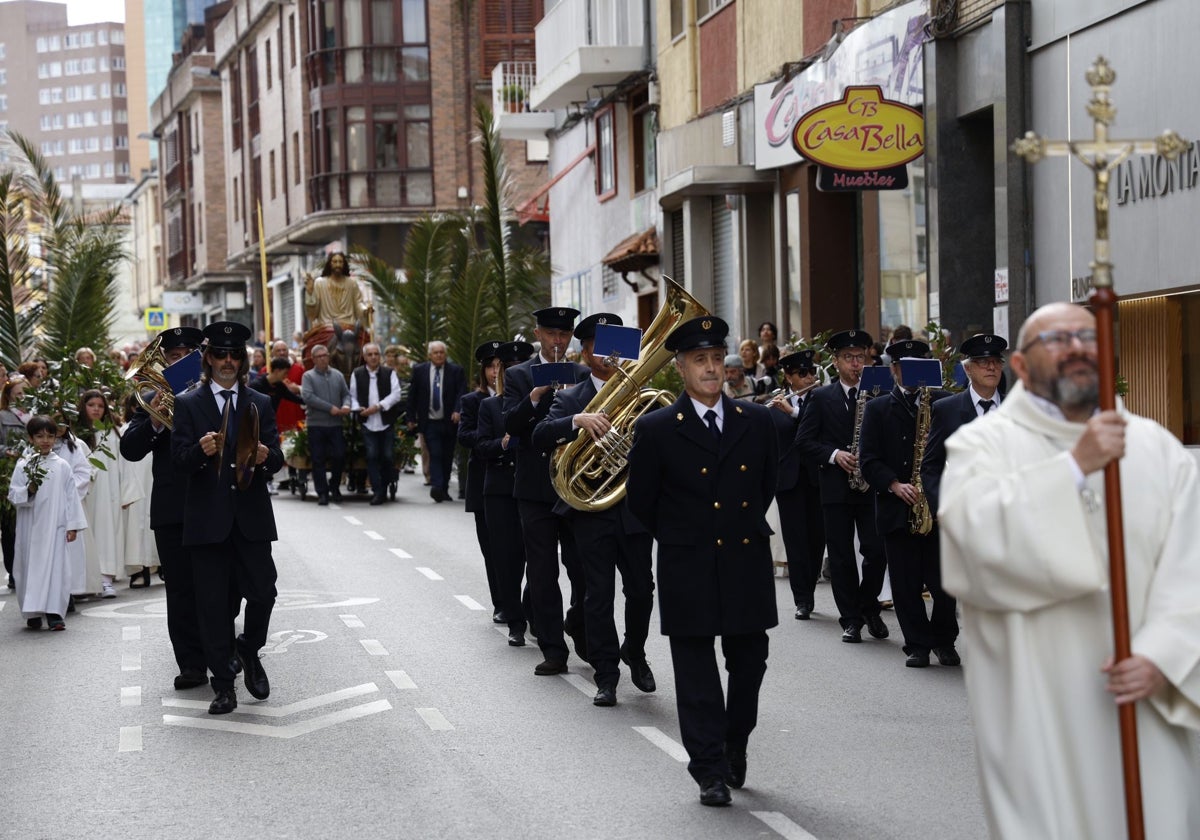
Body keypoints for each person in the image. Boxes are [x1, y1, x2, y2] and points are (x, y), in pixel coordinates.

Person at [939, 302, 1200, 839]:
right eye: (1057, 339)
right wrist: (1073, 469)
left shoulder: (1157, 449)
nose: (1078, 347)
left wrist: (1164, 653)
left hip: (1142, 701)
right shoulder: (983, 445)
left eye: (1088, 336)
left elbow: (1192, 563)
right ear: (1021, 365)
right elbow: (970, 537)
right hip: (1040, 705)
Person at [626, 316, 778, 807]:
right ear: (681, 368)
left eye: (716, 358)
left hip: (744, 561)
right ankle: (709, 769)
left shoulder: (757, 422)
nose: (711, 369)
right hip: (687, 564)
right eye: (700, 360)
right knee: (696, 675)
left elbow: (765, 486)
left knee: (749, 663)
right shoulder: (655, 430)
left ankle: (736, 739)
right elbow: (642, 504)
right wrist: (683, 537)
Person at [533, 314, 656, 708]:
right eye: (604, 346)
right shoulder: (570, 398)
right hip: (591, 511)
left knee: (642, 590)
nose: (613, 355)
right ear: (585, 352)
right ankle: (607, 674)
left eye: (621, 346)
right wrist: (576, 421)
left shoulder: (642, 394)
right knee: (598, 595)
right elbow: (539, 436)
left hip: (633, 509)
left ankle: (633, 651)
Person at [171, 321, 284, 715]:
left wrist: (270, 459)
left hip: (251, 519)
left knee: (264, 593)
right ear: (208, 359)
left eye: (236, 355)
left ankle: (249, 648)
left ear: (243, 360)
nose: (228, 362)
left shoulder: (260, 402)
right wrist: (199, 451)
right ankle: (223, 686)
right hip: (206, 523)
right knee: (214, 606)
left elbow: (278, 458)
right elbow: (178, 463)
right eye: (221, 354)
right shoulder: (187, 404)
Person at [121, 326, 210, 690]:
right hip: (173, 506)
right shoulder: (151, 395)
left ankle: (220, 648)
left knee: (220, 583)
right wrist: (156, 420)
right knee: (181, 589)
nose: (181, 361)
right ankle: (190, 663)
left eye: (189, 355)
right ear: (164, 361)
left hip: (212, 500)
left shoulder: (214, 392)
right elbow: (130, 448)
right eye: (174, 356)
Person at [502, 307, 590, 675]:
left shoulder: (583, 374)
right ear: (537, 334)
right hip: (535, 486)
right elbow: (511, 424)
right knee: (542, 571)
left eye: (564, 335)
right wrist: (536, 395)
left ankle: (579, 627)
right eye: (551, 334)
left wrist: (573, 401)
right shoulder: (518, 375)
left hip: (575, 485)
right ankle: (553, 649)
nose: (558, 341)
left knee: (584, 569)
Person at [857, 340, 955, 667]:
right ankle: (917, 644)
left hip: (935, 506)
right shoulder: (877, 407)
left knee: (944, 584)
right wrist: (894, 484)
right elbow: (868, 460)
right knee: (905, 583)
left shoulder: (941, 403)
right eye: (906, 366)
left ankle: (944, 640)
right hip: (897, 507)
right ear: (894, 369)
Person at [795, 329, 889, 644]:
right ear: (835, 362)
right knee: (841, 556)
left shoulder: (878, 393)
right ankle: (850, 619)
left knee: (876, 551)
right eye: (848, 358)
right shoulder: (821, 397)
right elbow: (804, 441)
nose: (855, 364)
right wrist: (835, 455)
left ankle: (868, 605)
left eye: (860, 357)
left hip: (871, 486)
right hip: (835, 487)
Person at [476, 340, 534, 645]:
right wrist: (503, 443)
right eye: (506, 369)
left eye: (518, 368)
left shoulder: (542, 402)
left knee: (537, 558)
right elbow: (481, 446)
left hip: (532, 487)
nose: (511, 373)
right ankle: (515, 621)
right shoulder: (489, 405)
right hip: (500, 491)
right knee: (507, 559)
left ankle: (531, 610)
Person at [8, 415, 88, 631]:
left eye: (50, 436)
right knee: (28, 567)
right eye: (40, 436)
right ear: (31, 438)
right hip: (30, 527)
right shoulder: (24, 464)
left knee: (56, 567)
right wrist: (29, 491)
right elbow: (13, 494)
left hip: (55, 526)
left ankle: (54, 613)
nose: (45, 440)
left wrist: (73, 525)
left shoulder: (62, 466)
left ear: (56, 438)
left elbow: (71, 496)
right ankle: (32, 612)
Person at [921, 333, 1007, 515]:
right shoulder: (947, 409)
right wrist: (943, 510)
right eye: (983, 362)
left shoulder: (1015, 409)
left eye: (996, 361)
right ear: (968, 370)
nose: (991, 367)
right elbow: (930, 467)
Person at [767, 350, 824, 619]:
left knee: (817, 539)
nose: (809, 376)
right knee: (795, 540)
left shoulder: (821, 400)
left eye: (811, 371)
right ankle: (802, 598)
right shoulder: (774, 406)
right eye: (802, 373)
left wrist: (793, 412)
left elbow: (815, 432)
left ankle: (810, 586)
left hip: (818, 477)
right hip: (788, 480)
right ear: (788, 377)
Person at [77, 389, 144, 599]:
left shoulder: (112, 433)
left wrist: (126, 492)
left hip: (109, 493)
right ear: (83, 407)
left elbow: (124, 463)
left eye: (100, 405)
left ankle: (105, 579)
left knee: (107, 533)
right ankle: (86, 581)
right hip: (85, 493)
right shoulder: (78, 434)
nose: (96, 409)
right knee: (86, 535)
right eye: (91, 405)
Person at [458, 341, 505, 616]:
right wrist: (491, 438)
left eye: (500, 366)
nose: (495, 371)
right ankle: (500, 603)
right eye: (490, 366)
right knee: (491, 548)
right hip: (482, 479)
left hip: (509, 480)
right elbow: (464, 435)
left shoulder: (514, 396)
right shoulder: (472, 401)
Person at [407, 341, 466, 503]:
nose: (439, 355)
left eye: (441, 352)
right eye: (436, 352)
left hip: (449, 421)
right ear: (429, 355)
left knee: (447, 456)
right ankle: (437, 486)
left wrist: (457, 410)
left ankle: (444, 489)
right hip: (430, 422)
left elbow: (461, 392)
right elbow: (413, 395)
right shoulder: (420, 371)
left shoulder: (455, 371)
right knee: (436, 453)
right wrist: (411, 418)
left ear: (445, 355)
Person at [349, 343, 404, 505]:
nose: (373, 357)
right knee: (372, 456)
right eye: (370, 354)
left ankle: (385, 486)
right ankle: (378, 491)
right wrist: (359, 408)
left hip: (386, 422)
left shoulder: (389, 373)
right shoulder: (357, 374)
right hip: (368, 423)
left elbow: (396, 394)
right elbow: (352, 395)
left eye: (376, 354)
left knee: (387, 457)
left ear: (379, 357)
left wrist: (379, 406)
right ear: (365, 357)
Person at [301, 343, 351, 506]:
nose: (324, 359)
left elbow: (346, 394)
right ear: (314, 359)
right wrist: (330, 408)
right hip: (317, 424)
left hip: (335, 425)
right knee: (318, 458)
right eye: (320, 356)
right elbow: (308, 397)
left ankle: (334, 487)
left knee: (339, 456)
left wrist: (346, 405)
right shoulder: (308, 376)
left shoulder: (337, 375)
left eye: (326, 355)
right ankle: (322, 492)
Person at [1, 375, 30, 590]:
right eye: (18, 394)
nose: (22, 397)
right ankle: (13, 571)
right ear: (9, 397)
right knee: (10, 526)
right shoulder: (2, 416)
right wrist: (7, 452)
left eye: (25, 392)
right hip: (9, 473)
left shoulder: (36, 417)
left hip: (33, 473)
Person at [304, 252, 370, 331]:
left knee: (366, 341)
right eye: (334, 262)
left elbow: (358, 304)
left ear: (344, 264)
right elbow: (313, 314)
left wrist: (366, 310)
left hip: (349, 327)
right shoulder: (320, 283)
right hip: (327, 327)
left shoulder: (352, 283)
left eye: (340, 262)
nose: (338, 265)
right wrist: (310, 293)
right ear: (329, 264)